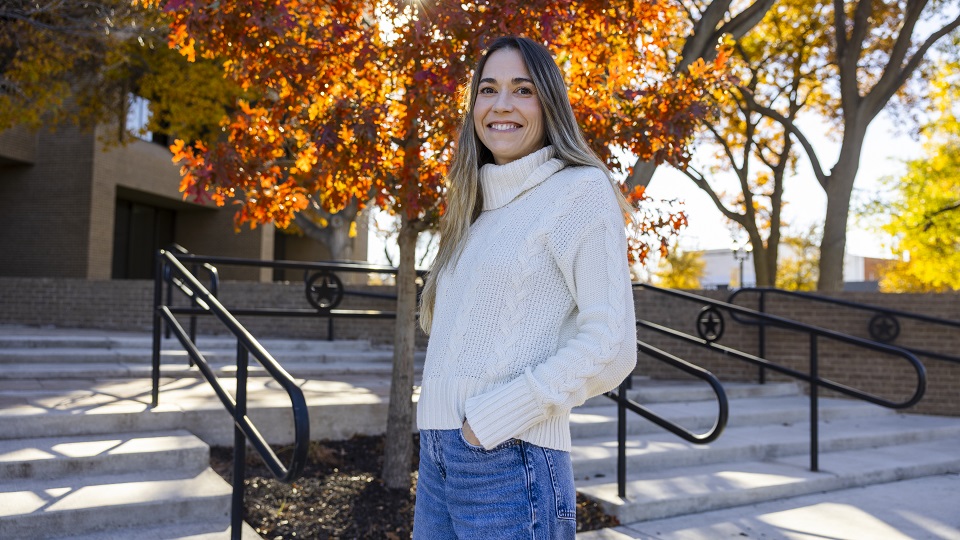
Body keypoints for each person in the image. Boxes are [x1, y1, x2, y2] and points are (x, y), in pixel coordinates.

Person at [413, 35, 638, 539]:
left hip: (509, 457)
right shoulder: (473, 210)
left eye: (522, 90)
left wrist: (495, 417)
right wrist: (446, 428)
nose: (501, 105)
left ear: (549, 102)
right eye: (488, 89)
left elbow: (613, 344)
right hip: (437, 453)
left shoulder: (577, 190)